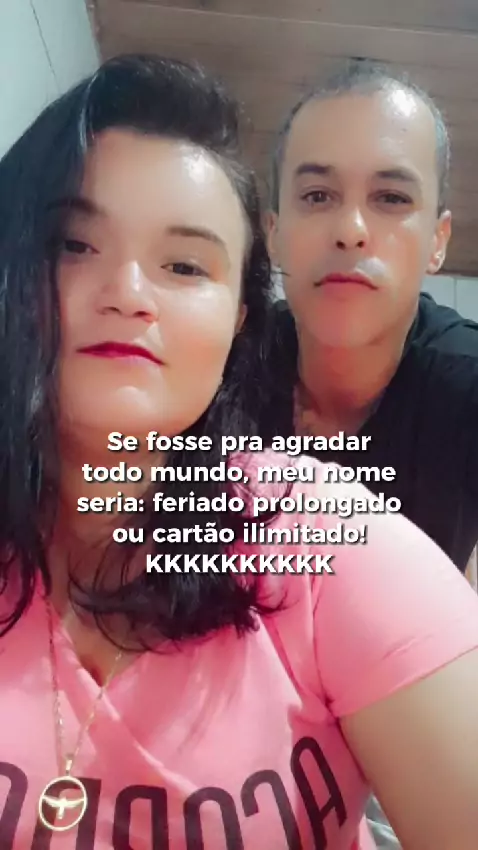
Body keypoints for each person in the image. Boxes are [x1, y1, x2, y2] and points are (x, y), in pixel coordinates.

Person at [1, 54, 478, 850]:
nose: (128, 291)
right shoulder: (251, 376)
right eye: (74, 244)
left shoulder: (330, 528)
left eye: (184, 265)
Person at [264, 61, 478, 575]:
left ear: (438, 241)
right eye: (317, 196)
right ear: (273, 235)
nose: (351, 230)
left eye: (391, 198)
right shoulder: (219, 364)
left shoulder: (467, 386)